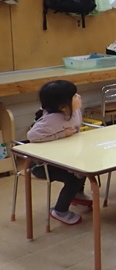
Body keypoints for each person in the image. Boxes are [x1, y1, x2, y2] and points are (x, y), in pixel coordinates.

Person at [27, 80, 89, 226]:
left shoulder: (75, 111)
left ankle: (77, 194)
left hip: (64, 157)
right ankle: (60, 210)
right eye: (74, 96)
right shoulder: (51, 120)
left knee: (84, 167)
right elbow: (32, 136)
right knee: (74, 177)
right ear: (63, 107)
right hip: (41, 165)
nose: (79, 97)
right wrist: (61, 134)